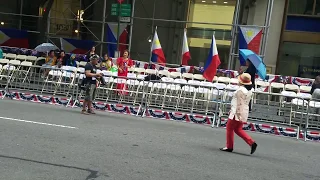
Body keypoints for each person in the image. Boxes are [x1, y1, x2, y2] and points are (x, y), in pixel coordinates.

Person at [220, 73, 258, 154]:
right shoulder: (250, 90)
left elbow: (239, 103)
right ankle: (251, 142)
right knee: (238, 129)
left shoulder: (240, 91)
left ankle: (229, 146)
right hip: (243, 111)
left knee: (229, 128)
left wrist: (237, 113)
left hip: (236, 112)